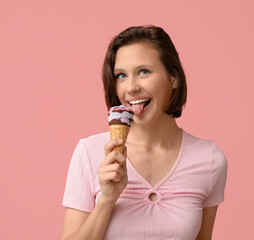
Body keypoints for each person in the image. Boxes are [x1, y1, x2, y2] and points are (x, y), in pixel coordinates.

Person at [61, 25, 228, 240]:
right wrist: (107, 200)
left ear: (173, 78)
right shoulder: (90, 153)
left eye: (143, 72)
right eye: (121, 75)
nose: (130, 87)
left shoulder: (209, 160)